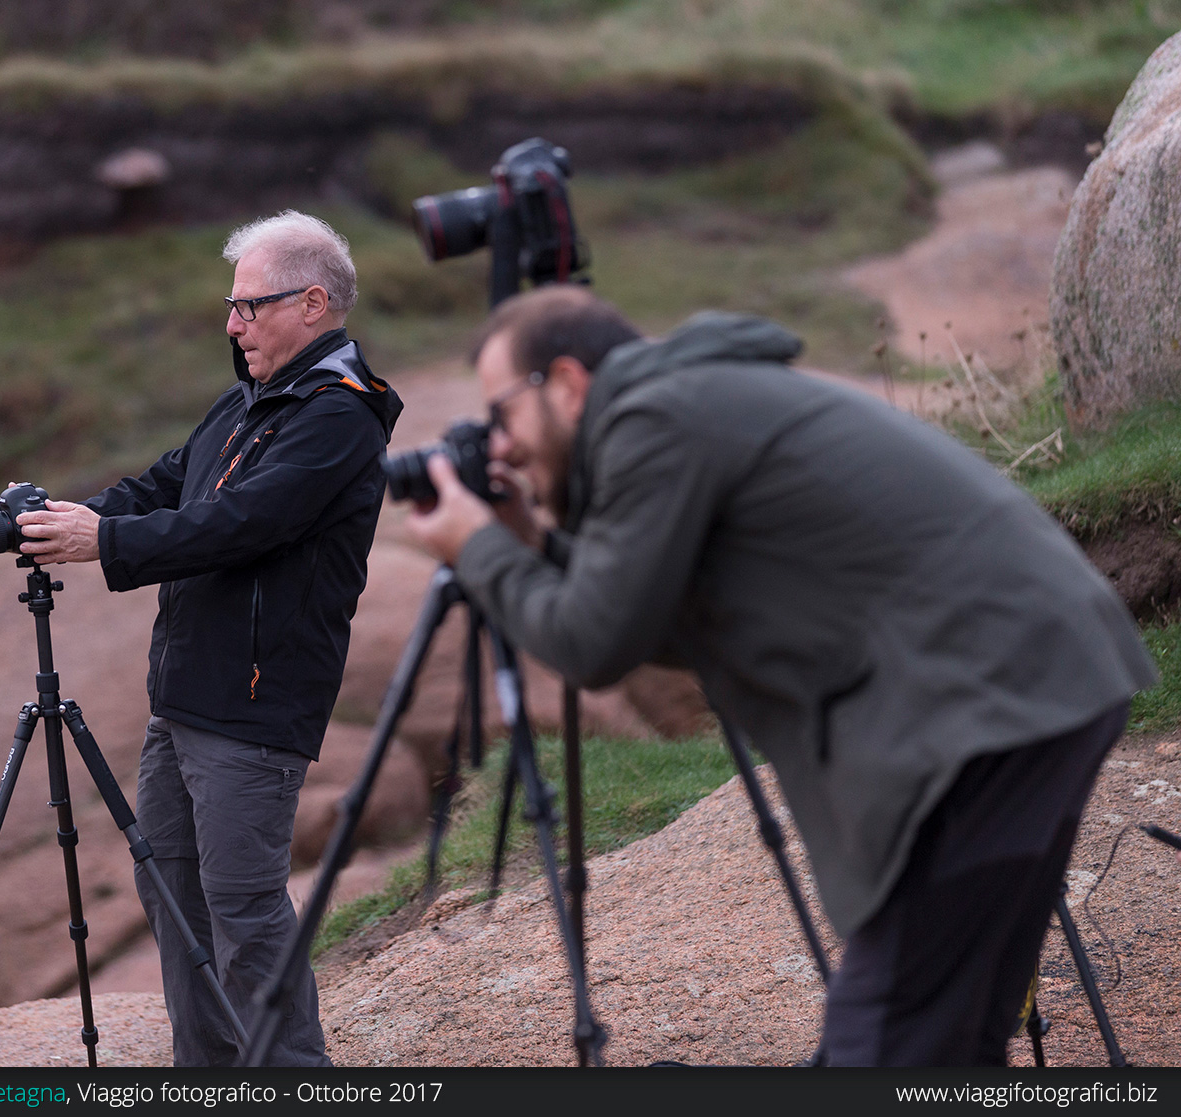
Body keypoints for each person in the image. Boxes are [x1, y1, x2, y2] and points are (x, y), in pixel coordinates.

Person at [406, 285, 1155, 1066]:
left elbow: (593, 642)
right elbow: (653, 617)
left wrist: (477, 547)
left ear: (566, 382)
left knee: (891, 1040)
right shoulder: (685, 400)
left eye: (502, 414)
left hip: (985, 705)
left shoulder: (651, 419)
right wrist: (530, 544)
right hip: (1034, 674)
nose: (498, 446)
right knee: (950, 1037)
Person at [3, 211, 402, 1066]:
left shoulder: (340, 416)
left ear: (312, 303)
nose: (232, 324)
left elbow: (242, 523)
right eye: (231, 306)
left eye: (248, 307)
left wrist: (103, 543)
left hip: (255, 706)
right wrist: (51, 520)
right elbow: (166, 484)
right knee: (172, 893)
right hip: (184, 696)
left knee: (244, 907)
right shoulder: (248, 399)